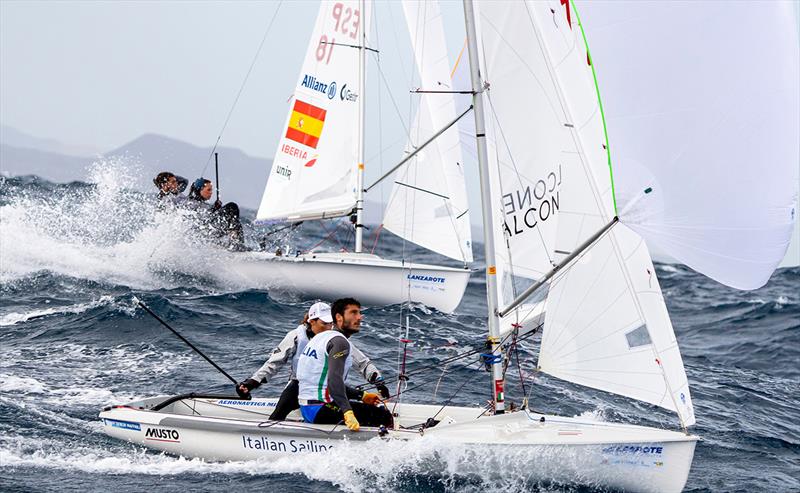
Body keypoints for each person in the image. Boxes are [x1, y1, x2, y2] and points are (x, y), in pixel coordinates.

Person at [236, 301, 389, 421]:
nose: (328, 327)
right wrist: (251, 383)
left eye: (330, 323)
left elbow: (362, 363)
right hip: (298, 386)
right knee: (277, 416)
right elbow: (273, 364)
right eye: (324, 323)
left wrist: (378, 381)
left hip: (327, 389)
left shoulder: (335, 339)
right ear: (312, 321)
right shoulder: (296, 336)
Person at [296, 297, 394, 431]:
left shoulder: (320, 337)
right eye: (353, 313)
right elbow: (334, 381)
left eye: (359, 313)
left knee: (367, 410)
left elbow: (325, 383)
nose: (359, 317)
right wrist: (347, 411)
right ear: (339, 317)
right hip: (320, 409)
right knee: (383, 415)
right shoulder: (339, 342)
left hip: (308, 408)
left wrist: (363, 396)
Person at [187, 177, 245, 250]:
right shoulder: (192, 203)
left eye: (211, 190)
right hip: (205, 234)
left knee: (235, 220)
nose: (211, 192)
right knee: (232, 207)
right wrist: (214, 209)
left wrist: (215, 209)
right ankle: (236, 244)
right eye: (209, 190)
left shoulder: (202, 204)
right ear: (199, 190)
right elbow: (202, 218)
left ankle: (236, 243)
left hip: (209, 231)